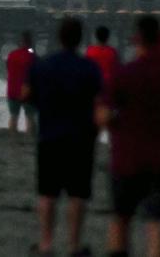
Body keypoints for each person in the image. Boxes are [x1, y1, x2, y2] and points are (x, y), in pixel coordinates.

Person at [98, 15, 160, 257]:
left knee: (121, 218)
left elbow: (102, 116)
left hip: (126, 159)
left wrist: (116, 125)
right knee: (157, 222)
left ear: (136, 39)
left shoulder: (124, 73)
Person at [24, 17, 102, 257]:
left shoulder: (42, 65)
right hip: (81, 138)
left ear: (58, 37)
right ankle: (74, 245)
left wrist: (41, 106)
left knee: (47, 193)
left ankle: (46, 244)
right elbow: (100, 102)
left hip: (50, 136)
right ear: (80, 39)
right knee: (77, 194)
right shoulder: (90, 67)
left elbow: (25, 94)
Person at [6, 31, 37, 135]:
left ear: (20, 42)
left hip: (12, 89)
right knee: (29, 116)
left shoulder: (12, 55)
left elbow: (8, 68)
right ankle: (29, 137)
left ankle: (12, 136)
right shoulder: (32, 56)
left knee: (13, 115)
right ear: (30, 42)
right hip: (27, 90)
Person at [84, 25, 121, 90]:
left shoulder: (90, 51)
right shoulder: (112, 52)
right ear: (107, 37)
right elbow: (117, 70)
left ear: (96, 36)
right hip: (109, 85)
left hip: (94, 85)